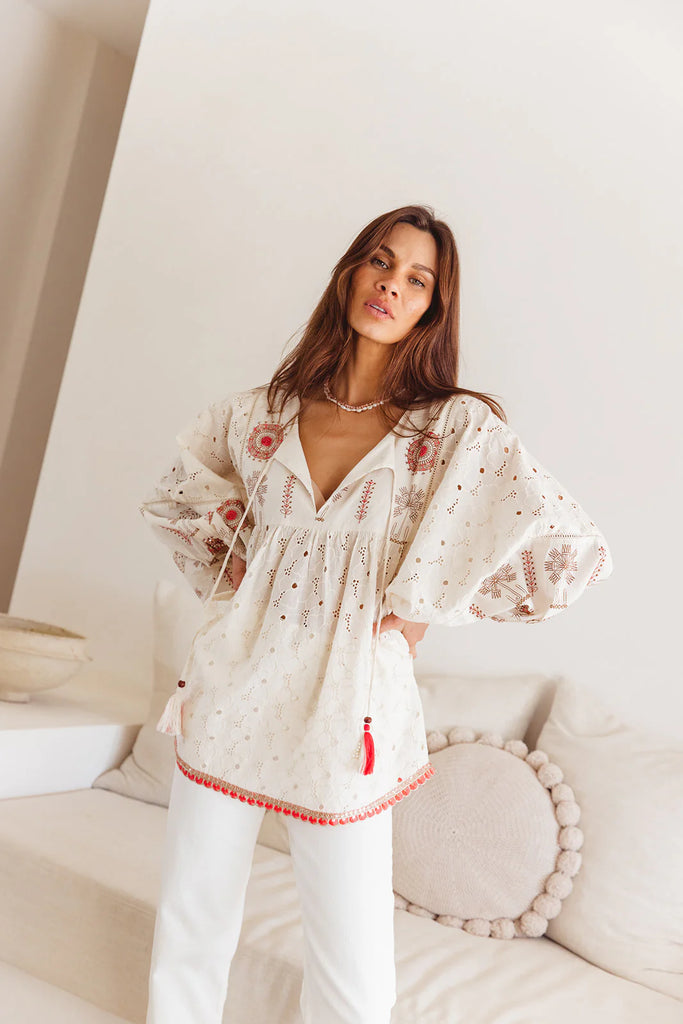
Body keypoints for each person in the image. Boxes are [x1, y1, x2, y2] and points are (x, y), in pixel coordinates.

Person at [139, 204, 613, 1024]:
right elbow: (180, 492)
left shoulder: (452, 430)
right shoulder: (261, 414)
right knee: (192, 909)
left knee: (350, 945)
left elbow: (565, 546)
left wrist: (429, 604)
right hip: (234, 679)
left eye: (416, 280)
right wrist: (238, 560)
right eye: (380, 262)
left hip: (349, 701)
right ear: (350, 272)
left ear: (432, 308)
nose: (391, 286)